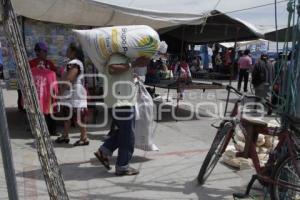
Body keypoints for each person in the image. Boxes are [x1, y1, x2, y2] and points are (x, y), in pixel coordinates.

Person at [94, 53, 149, 176]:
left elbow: (120, 72)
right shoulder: (118, 56)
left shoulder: (122, 58)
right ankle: (122, 166)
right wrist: (135, 63)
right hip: (122, 102)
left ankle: (104, 151)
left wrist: (131, 73)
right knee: (128, 135)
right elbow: (113, 69)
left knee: (123, 132)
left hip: (120, 101)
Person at [55, 43, 89, 146]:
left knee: (77, 116)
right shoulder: (73, 62)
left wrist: (60, 92)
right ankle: (65, 135)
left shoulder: (75, 63)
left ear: (73, 52)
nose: (66, 51)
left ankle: (84, 138)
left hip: (74, 92)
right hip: (72, 92)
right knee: (67, 115)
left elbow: (69, 79)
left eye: (68, 50)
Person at [31, 65, 58, 136]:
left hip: (47, 97)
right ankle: (41, 131)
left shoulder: (51, 73)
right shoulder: (31, 72)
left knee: (48, 114)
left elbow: (55, 88)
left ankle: (51, 131)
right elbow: (55, 89)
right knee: (40, 114)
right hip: (39, 97)